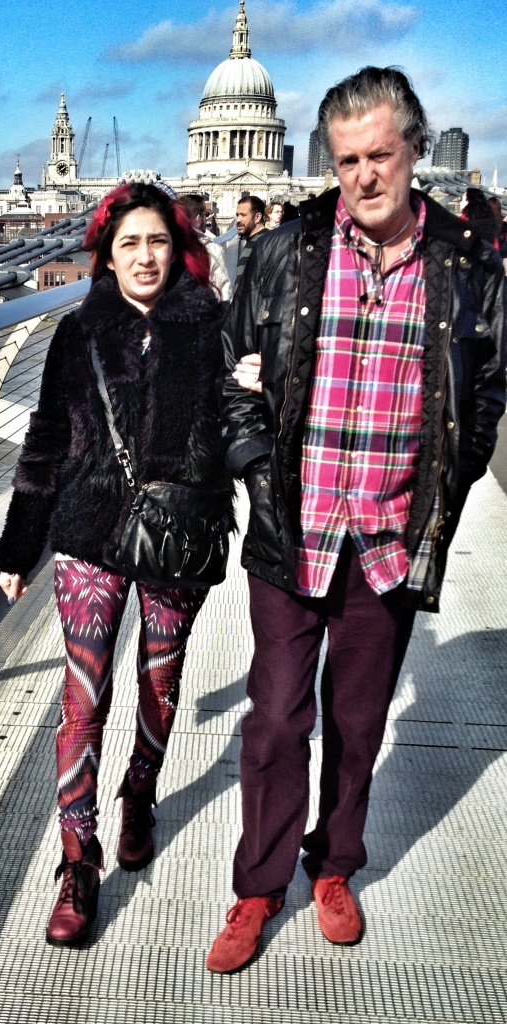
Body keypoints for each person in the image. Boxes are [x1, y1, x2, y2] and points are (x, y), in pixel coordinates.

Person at [207, 66, 506, 974]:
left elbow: (486, 388)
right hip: (292, 527)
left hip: (389, 531)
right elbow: (232, 371)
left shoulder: (467, 266)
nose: (365, 175)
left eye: (381, 154)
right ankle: (258, 888)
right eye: (347, 161)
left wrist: (449, 478)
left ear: (415, 149)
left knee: (360, 720)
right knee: (274, 720)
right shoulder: (286, 251)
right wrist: (257, 467)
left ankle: (333, 866)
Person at [0, 182, 237, 947]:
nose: (144, 257)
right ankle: (77, 861)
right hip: (90, 531)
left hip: (177, 532)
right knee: (83, 695)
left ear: (179, 249)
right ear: (106, 253)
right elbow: (45, 441)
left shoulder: (214, 329)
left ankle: (141, 793)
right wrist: (19, 544)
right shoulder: (78, 333)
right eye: (128, 243)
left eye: (156, 242)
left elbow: (239, 420)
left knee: (160, 682)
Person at [179, 192, 233, 300]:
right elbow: (223, 289)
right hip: (203, 311)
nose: (206, 219)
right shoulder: (211, 249)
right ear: (199, 218)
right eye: (205, 215)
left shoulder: (166, 246)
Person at [234, 195, 267, 289]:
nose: (238, 220)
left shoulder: (266, 241)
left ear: (257, 217)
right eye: (237, 215)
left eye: (243, 215)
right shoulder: (250, 241)